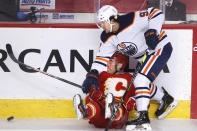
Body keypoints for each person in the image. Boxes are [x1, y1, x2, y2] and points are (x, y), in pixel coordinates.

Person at [81, 5, 178, 130]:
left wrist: (153, 31)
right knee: (138, 82)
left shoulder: (131, 19)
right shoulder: (108, 37)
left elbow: (156, 13)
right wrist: (92, 74)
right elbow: (101, 58)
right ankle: (165, 98)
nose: (101, 26)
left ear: (111, 20)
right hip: (144, 56)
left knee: (140, 80)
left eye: (103, 23)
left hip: (160, 48)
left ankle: (143, 118)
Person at [73, 51, 136, 129]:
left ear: (120, 65)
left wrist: (132, 102)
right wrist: (96, 93)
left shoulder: (129, 78)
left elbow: (138, 96)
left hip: (118, 119)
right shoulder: (103, 75)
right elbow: (93, 94)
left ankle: (114, 110)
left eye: (111, 62)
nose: (107, 64)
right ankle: (85, 111)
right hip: (100, 117)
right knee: (96, 104)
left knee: (119, 105)